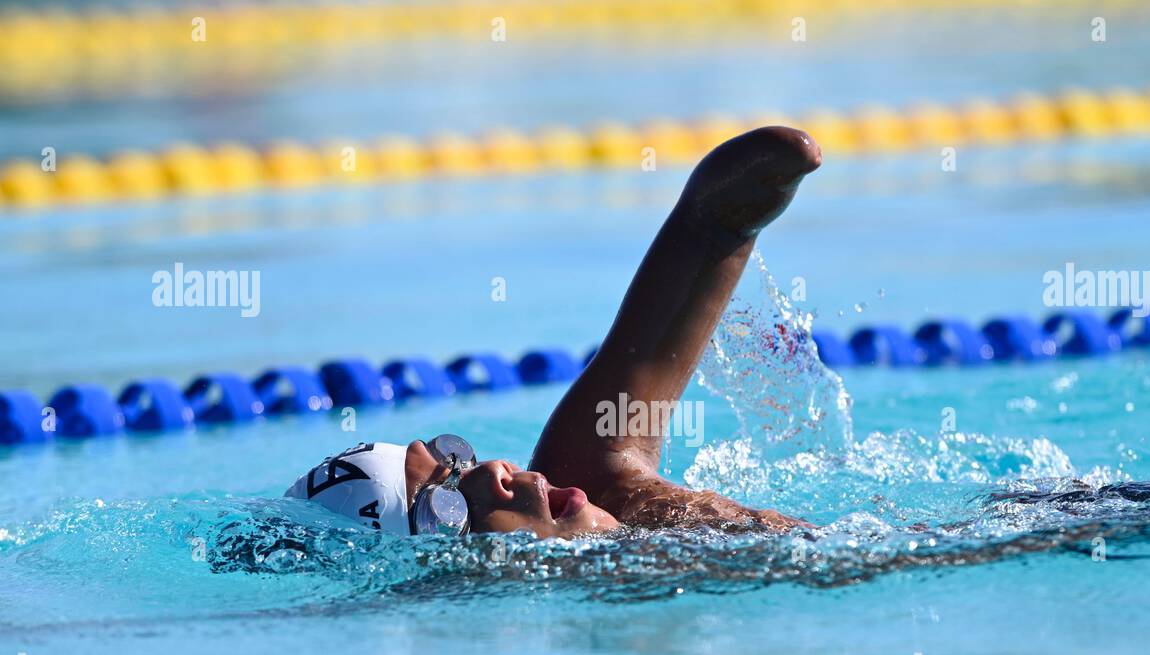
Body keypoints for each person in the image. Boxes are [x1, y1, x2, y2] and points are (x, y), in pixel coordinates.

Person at [286, 126, 822, 540]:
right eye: (443, 505)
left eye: (457, 458)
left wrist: (745, 196)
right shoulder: (610, 652)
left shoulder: (597, 471)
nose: (492, 470)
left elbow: (716, 223)